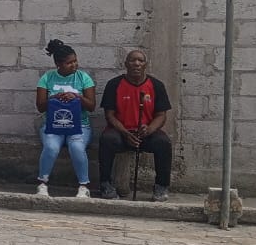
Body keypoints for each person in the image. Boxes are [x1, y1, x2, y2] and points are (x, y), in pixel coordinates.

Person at [98, 50, 173, 201]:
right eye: (132, 60)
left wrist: (149, 129)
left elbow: (161, 115)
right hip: (121, 133)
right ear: (126, 64)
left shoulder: (156, 85)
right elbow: (110, 115)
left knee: (163, 142)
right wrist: (125, 133)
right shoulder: (114, 84)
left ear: (146, 65)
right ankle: (106, 184)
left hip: (145, 134)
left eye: (140, 61)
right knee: (107, 139)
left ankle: (161, 186)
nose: (137, 64)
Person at [34, 38, 97, 199]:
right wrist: (54, 98)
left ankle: (83, 186)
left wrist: (77, 97)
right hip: (52, 125)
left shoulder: (83, 78)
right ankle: (42, 183)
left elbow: (91, 106)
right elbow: (40, 106)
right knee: (51, 147)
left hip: (80, 125)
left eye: (75, 61)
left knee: (76, 147)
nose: (74, 65)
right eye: (69, 63)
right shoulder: (47, 78)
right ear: (58, 64)